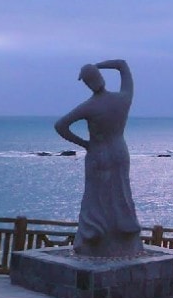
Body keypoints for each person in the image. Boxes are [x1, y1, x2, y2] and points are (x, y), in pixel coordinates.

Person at [55, 59, 143, 257]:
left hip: (98, 153)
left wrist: (84, 144)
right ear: (101, 78)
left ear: (87, 83)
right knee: (120, 191)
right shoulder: (123, 99)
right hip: (119, 151)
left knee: (95, 196)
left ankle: (93, 233)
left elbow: (60, 126)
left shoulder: (89, 106)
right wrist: (99, 65)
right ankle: (126, 229)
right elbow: (122, 65)